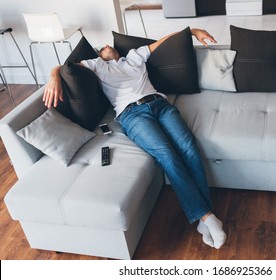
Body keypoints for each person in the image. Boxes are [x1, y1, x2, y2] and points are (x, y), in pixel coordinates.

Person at [43, 28, 227, 249]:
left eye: (107, 45)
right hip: (132, 114)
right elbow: (65, 66)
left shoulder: (134, 56)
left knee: (188, 146)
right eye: (101, 48)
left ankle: (202, 219)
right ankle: (207, 216)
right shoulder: (98, 65)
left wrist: (193, 31)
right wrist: (54, 76)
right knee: (166, 154)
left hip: (160, 105)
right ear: (100, 55)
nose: (105, 47)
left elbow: (163, 40)